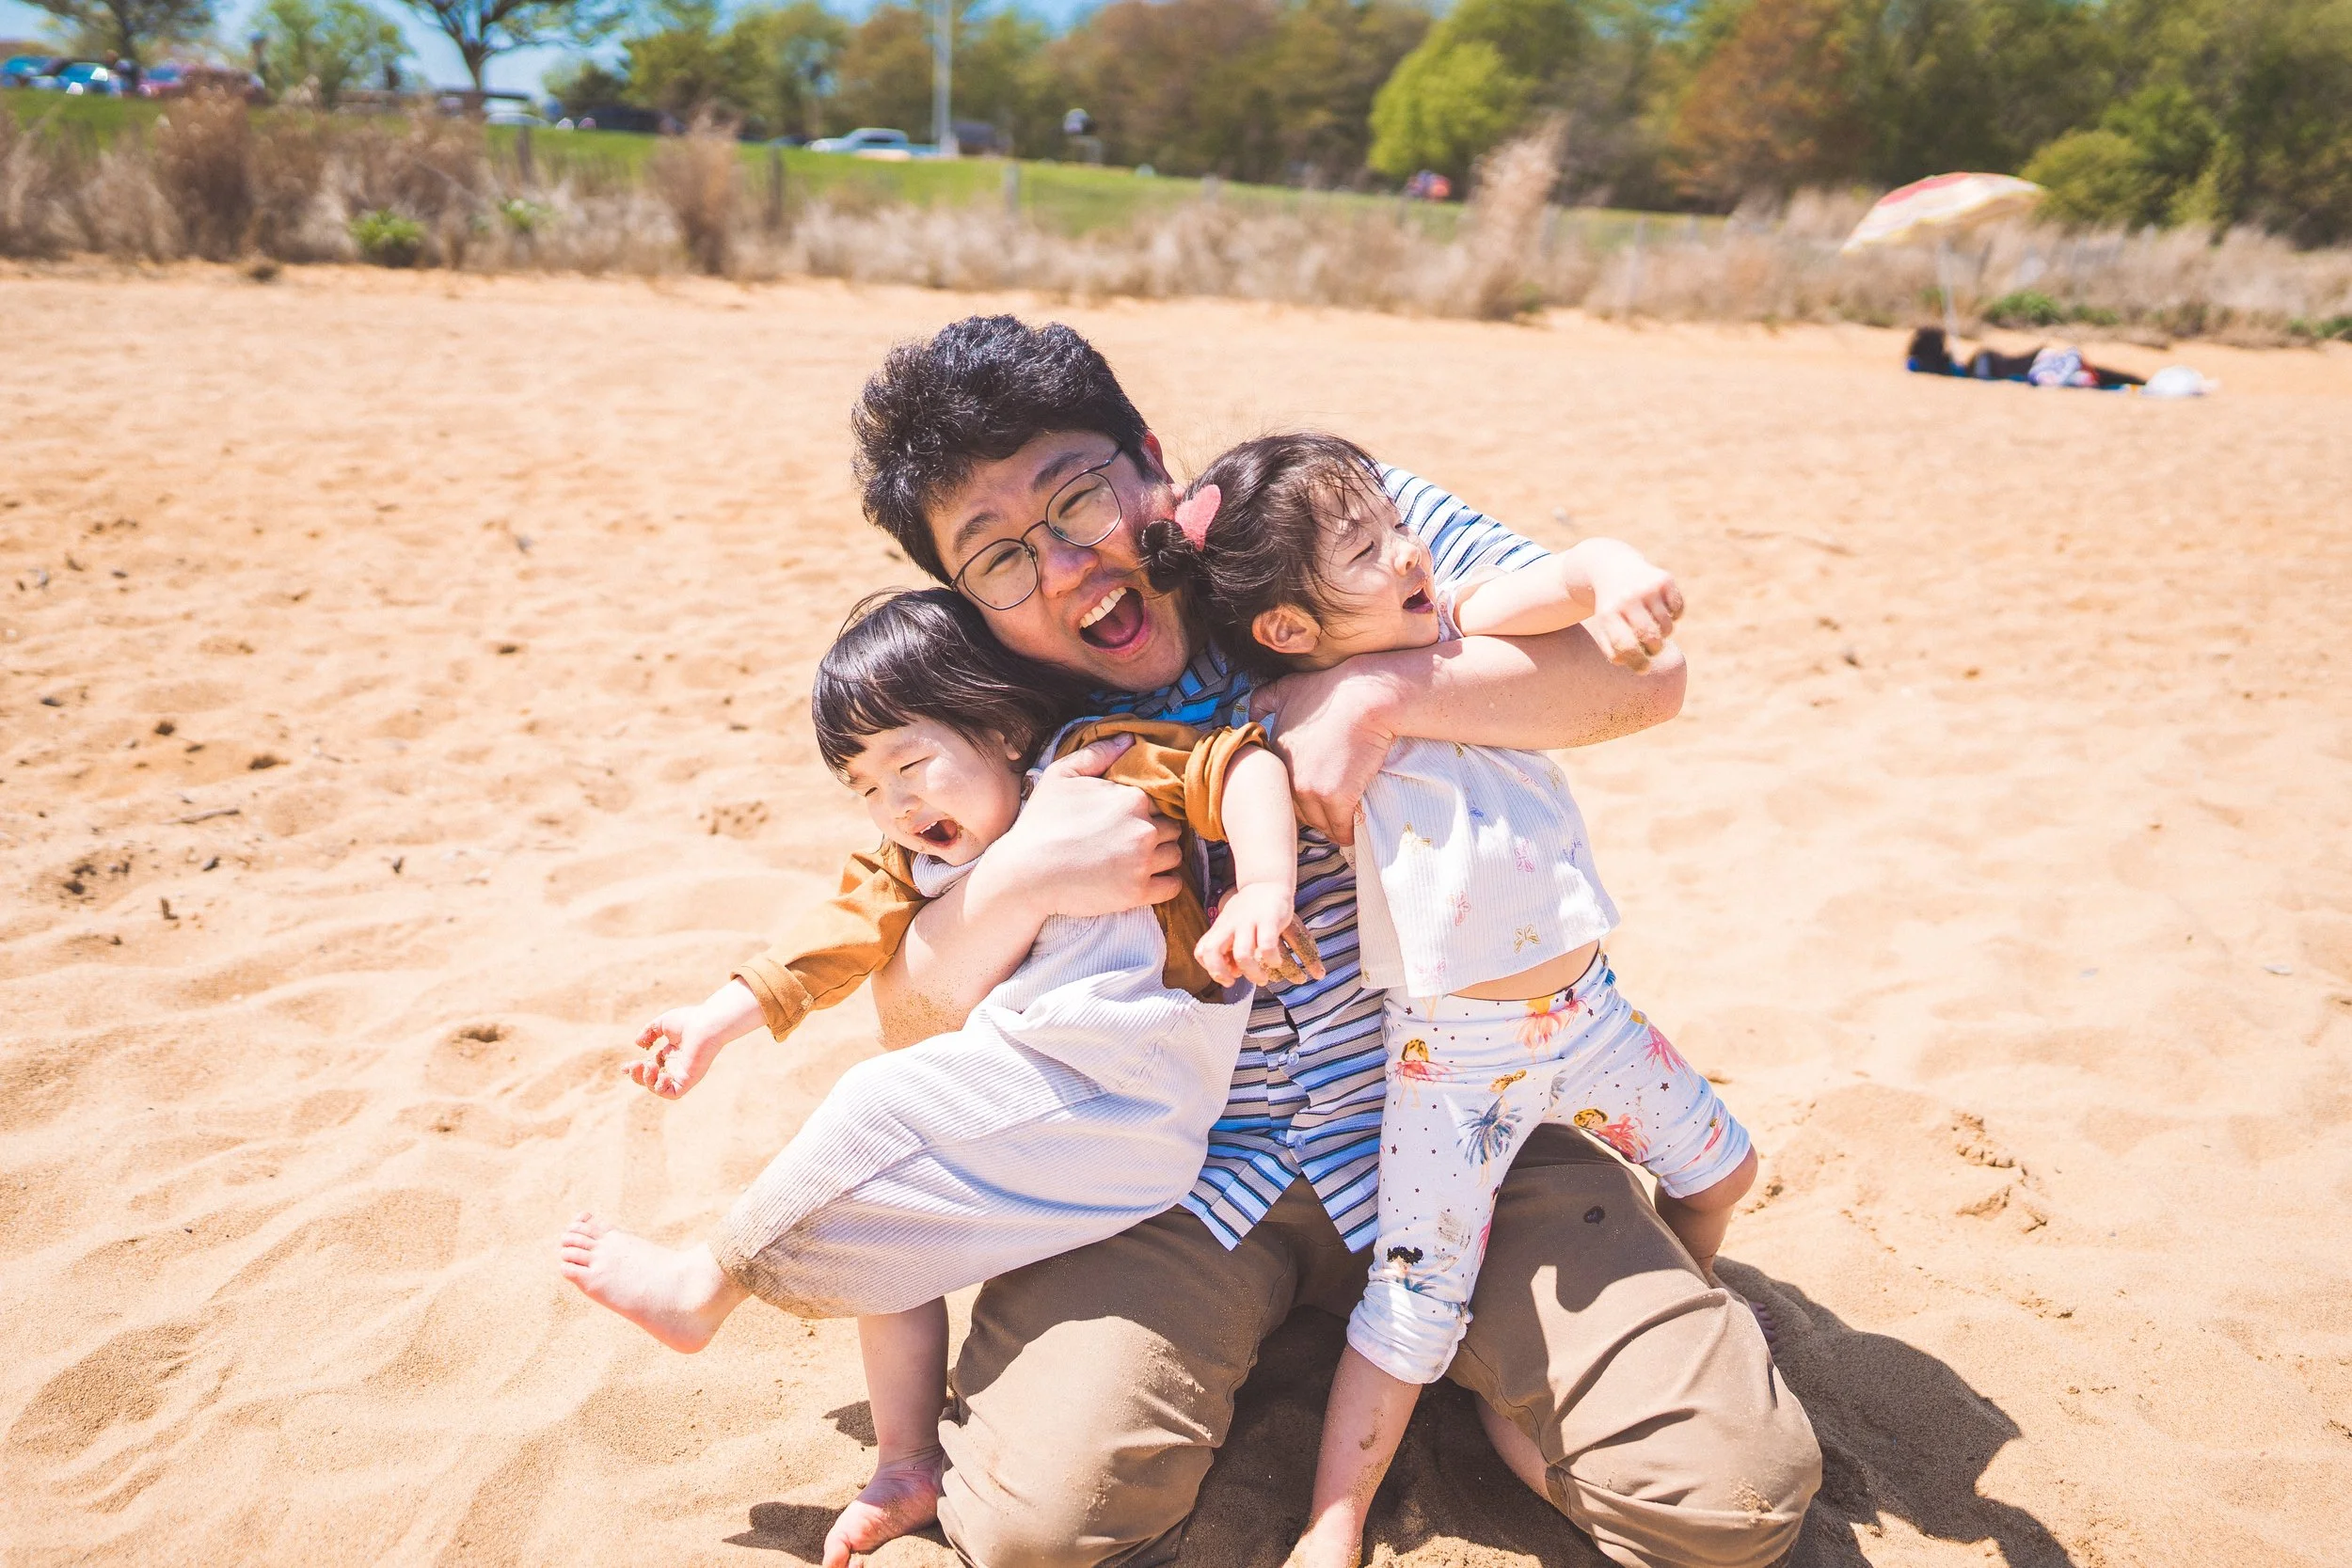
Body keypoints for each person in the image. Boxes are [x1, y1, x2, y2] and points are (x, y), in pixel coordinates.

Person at [845, 314, 1821, 1568]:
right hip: (1170, 1172)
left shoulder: (1327, 523)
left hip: (1479, 1105)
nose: (1065, 565)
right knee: (1042, 1528)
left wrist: (1376, 688)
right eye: (997, 557)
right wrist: (1022, 879)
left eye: (1080, 496)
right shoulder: (969, 694)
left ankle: (1478, 1362)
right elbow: (903, 1010)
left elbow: (1643, 674)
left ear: (1153, 460)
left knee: (1731, 1500)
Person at [555, 587, 1318, 1568]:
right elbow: (826, 940)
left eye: (911, 764)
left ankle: (701, 1287)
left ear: (1000, 726)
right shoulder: (912, 862)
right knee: (894, 1218)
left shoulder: (1096, 765)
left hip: (1137, 1082)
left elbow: (1240, 760)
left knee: (878, 1104)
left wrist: (1262, 886)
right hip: (1055, 1095)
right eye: (867, 786)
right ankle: (907, 1459)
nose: (899, 806)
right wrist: (714, 1018)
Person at [1140, 433, 1761, 1568]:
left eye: (1397, 525)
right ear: (1284, 627)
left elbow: (1569, 579)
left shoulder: (1463, 624)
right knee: (1412, 1305)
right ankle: (1337, 1518)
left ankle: (1688, 1283)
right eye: (1368, 548)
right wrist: (1267, 890)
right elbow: (1256, 787)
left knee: (1726, 1169)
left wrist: (1617, 572)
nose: (1408, 549)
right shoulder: (1280, 709)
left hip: (1591, 1015)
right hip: (1455, 1061)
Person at [1904, 325, 2146, 388]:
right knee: (2100, 374)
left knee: (2098, 374)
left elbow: (1913, 365)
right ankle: (2140, 380)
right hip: (2023, 362)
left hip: (2023, 363)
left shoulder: (1931, 365)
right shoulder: (1940, 365)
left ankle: (2140, 380)